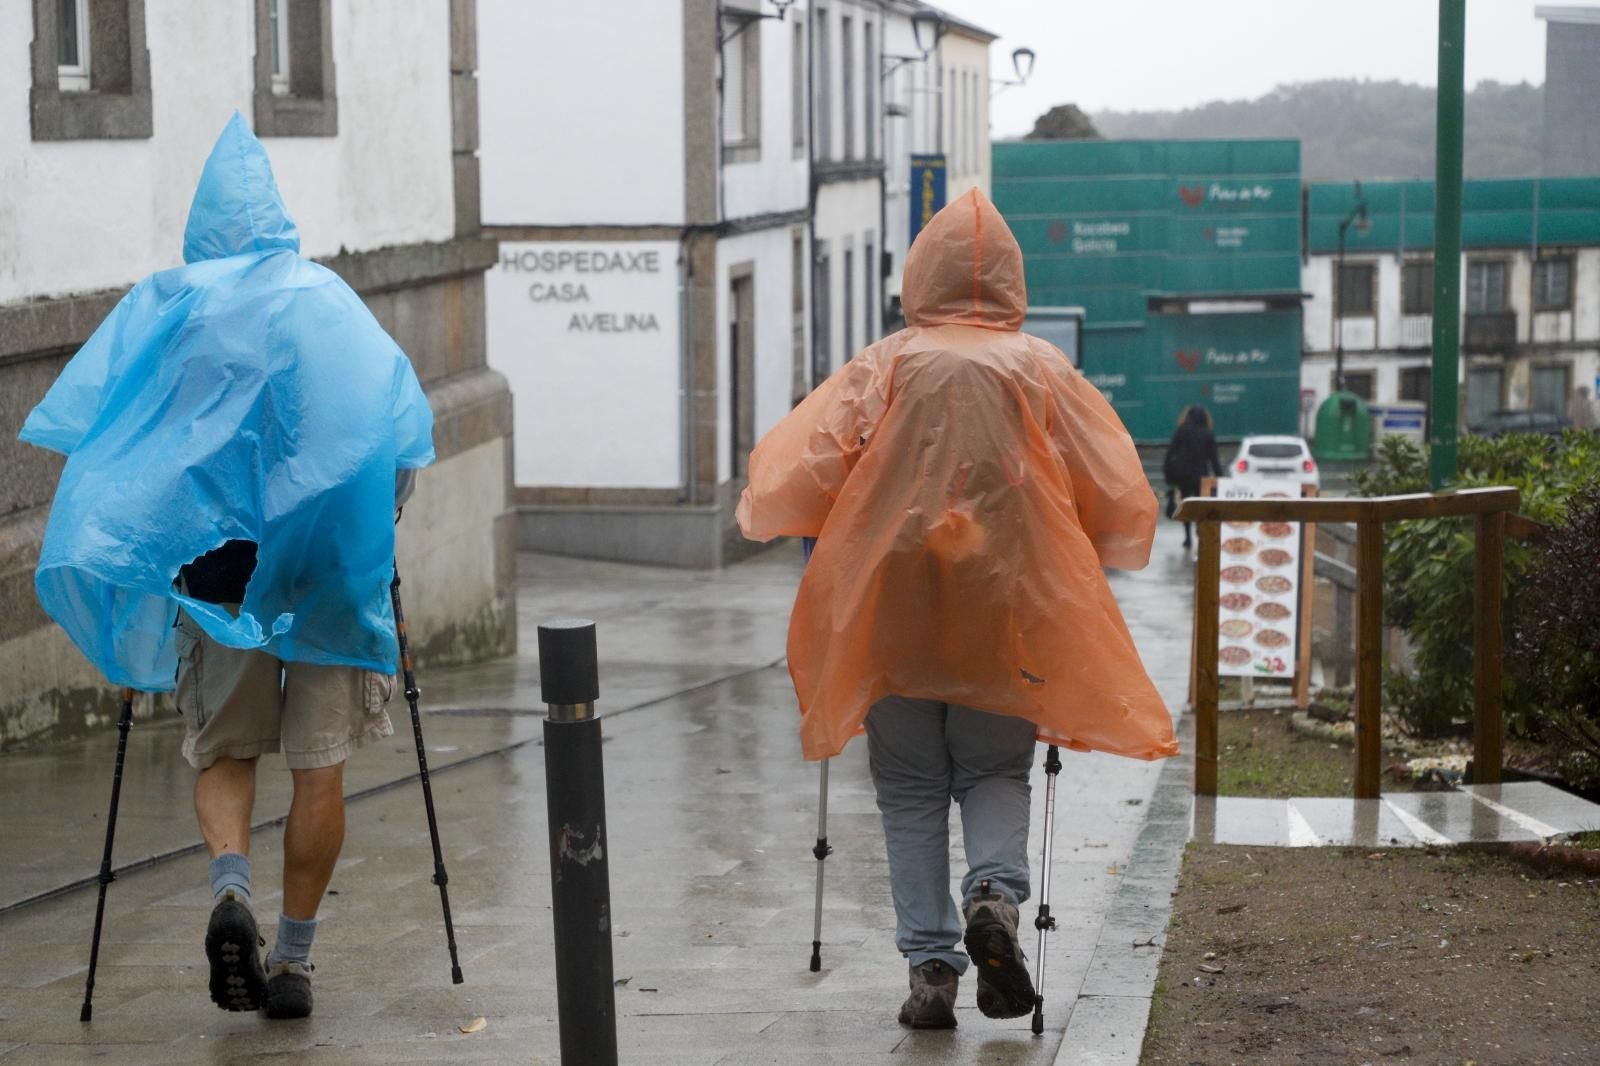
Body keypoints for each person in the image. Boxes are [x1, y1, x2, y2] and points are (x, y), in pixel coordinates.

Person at [20, 114, 434, 1020]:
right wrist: (378, 524)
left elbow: (126, 443)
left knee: (227, 747)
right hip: (325, 568)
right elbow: (395, 432)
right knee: (317, 768)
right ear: (279, 219)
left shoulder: (174, 312)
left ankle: (229, 889)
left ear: (202, 228)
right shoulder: (330, 302)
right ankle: (292, 960)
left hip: (222, 574)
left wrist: (139, 558)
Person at [736, 189, 1177, 1030]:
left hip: (894, 605)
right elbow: (1110, 483)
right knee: (991, 769)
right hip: (1004, 608)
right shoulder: (1039, 368)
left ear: (919, 276)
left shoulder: (888, 363)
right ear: (1011, 282)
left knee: (907, 790)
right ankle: (993, 898)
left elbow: (805, 471)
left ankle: (931, 970)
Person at [1163, 406, 1224, 548]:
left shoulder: (1181, 432)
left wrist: (1169, 475)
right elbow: (1214, 459)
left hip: (1183, 475)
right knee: (1201, 506)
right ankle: (1200, 531)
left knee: (1187, 505)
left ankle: (1187, 537)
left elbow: (1170, 454)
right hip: (1201, 476)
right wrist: (1220, 478)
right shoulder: (1207, 434)